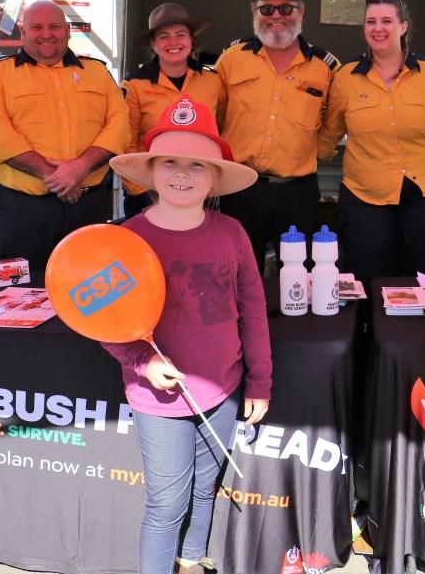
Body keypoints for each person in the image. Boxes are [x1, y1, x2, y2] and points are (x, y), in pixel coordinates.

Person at [106, 95, 271, 574]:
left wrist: (259, 382)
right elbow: (104, 321)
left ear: (215, 177)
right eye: (170, 162)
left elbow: (253, 310)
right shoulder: (127, 239)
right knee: (166, 502)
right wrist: (143, 361)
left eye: (197, 164)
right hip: (158, 398)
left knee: (204, 487)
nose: (183, 174)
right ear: (150, 171)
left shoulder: (233, 232)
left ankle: (191, 560)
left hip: (223, 388)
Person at [0, 0, 130, 269]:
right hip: (23, 212)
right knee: (20, 289)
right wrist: (58, 177)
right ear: (24, 33)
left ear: (67, 31)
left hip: (88, 206)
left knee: (89, 284)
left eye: (54, 26)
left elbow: (120, 126)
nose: (46, 34)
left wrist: (79, 168)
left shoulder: (97, 73)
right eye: (37, 27)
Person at [318, 0, 425, 286]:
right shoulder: (345, 79)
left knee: (422, 282)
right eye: (371, 21)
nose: (378, 28)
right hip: (365, 200)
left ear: (403, 27)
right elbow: (329, 134)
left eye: (387, 21)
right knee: (369, 282)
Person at [216, 0, 340, 273]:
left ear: (301, 12)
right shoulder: (231, 59)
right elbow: (216, 114)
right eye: (267, 9)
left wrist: (312, 152)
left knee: (300, 274)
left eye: (286, 8)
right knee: (239, 272)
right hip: (242, 188)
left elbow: (334, 122)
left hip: (297, 192)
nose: (276, 16)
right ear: (254, 12)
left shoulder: (325, 67)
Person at [120, 2, 225, 218]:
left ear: (191, 40)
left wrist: (210, 186)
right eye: (164, 36)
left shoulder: (213, 82)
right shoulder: (134, 85)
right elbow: (126, 143)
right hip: (149, 192)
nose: (173, 42)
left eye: (181, 34)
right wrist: (141, 190)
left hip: (200, 189)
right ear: (153, 44)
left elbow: (220, 130)